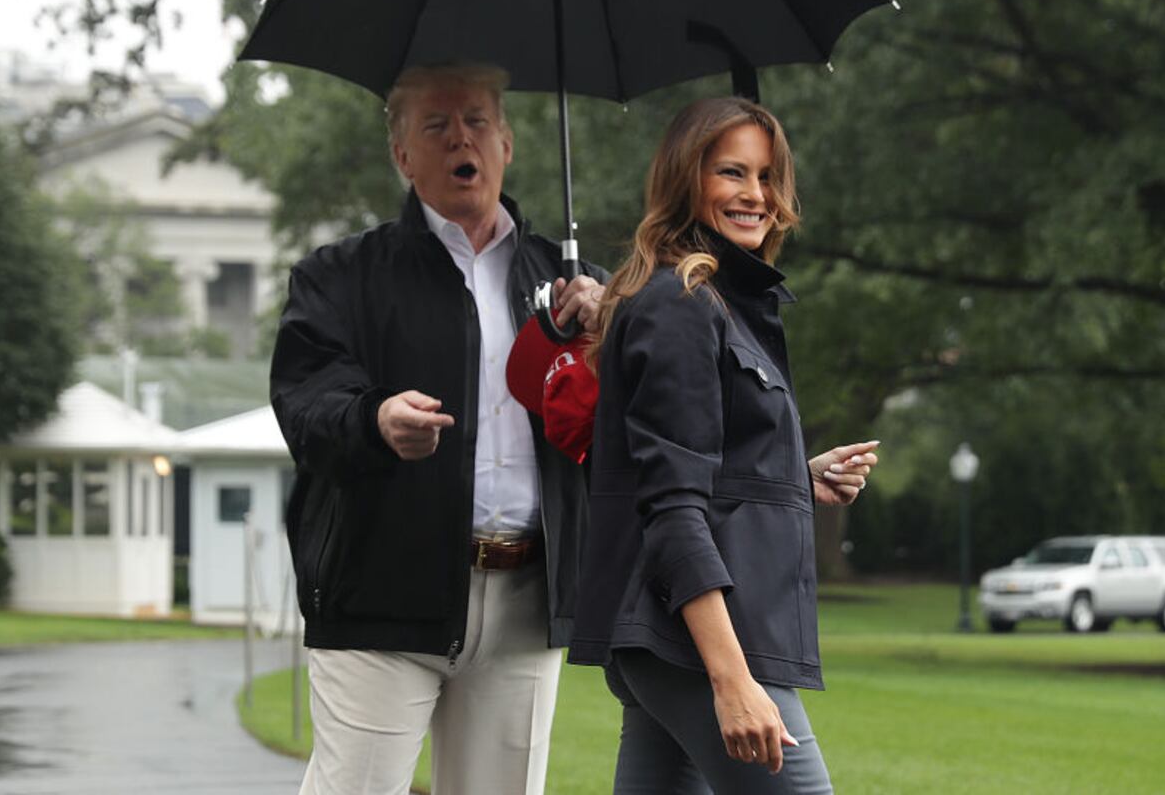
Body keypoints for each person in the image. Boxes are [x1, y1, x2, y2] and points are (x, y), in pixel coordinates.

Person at [270, 63, 607, 795]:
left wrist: (609, 338)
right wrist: (373, 418)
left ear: (507, 143)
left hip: (524, 602)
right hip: (379, 597)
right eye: (437, 125)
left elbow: (617, 434)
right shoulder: (339, 276)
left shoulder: (570, 285)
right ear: (403, 156)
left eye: (478, 121)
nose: (463, 139)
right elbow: (305, 402)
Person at [569, 97, 878, 794]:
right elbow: (671, 506)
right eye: (731, 172)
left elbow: (707, 470)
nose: (755, 195)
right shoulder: (682, 303)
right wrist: (732, 679)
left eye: (767, 176)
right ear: (686, 179)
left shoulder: (723, 303)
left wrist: (796, 478)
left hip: (671, 632)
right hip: (694, 634)